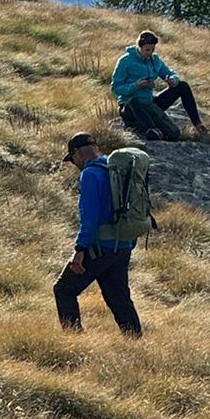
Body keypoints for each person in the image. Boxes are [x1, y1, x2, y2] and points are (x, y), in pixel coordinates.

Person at [53, 134, 143, 337]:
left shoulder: (90, 174)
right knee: (119, 298)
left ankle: (74, 342)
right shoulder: (117, 169)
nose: (74, 164)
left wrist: (80, 250)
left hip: (101, 247)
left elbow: (90, 217)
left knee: (63, 290)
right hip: (123, 245)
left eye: (72, 158)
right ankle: (136, 341)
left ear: (76, 153)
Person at [111, 30, 207, 140]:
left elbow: (170, 73)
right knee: (134, 101)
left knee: (182, 86)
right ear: (139, 46)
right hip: (129, 107)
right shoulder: (125, 61)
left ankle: (198, 124)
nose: (150, 53)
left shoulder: (154, 60)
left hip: (149, 103)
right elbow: (115, 88)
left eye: (152, 50)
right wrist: (135, 86)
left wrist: (172, 80)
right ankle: (151, 129)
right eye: (147, 50)